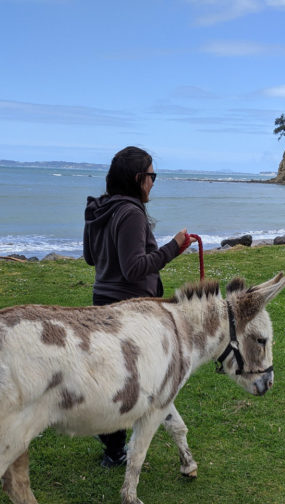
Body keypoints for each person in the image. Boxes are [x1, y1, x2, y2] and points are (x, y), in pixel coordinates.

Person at [83, 146, 191, 467]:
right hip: (129, 310)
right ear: (137, 179)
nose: (154, 182)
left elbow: (91, 258)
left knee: (114, 376)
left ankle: (113, 446)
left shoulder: (100, 209)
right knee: (132, 380)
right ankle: (115, 444)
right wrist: (175, 247)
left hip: (102, 303)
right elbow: (134, 268)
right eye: (151, 176)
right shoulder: (130, 213)